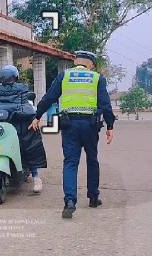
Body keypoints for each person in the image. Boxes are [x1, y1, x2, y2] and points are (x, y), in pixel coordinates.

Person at [30, 51, 116, 219]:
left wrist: (37, 116)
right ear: (90, 63)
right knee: (92, 159)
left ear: (76, 61)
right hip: (90, 125)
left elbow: (49, 97)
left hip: (69, 125)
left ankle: (70, 202)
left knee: (70, 162)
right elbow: (105, 104)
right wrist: (110, 126)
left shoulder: (64, 76)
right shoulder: (97, 78)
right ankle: (93, 197)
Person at [0, 65, 46, 193]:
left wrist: (31, 116)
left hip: (17, 125)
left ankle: (36, 176)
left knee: (30, 144)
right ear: (16, 76)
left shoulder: (20, 90)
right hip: (1, 124)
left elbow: (25, 104)